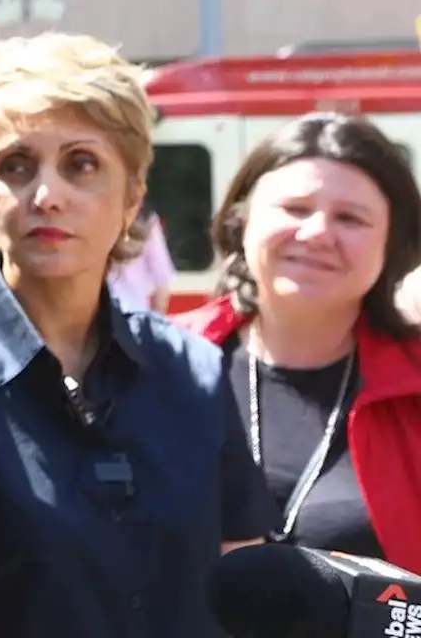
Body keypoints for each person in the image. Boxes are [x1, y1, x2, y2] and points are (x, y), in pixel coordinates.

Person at [0, 33, 275, 638]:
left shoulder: (194, 372)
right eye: (15, 165)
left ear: (133, 195)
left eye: (82, 164)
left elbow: (249, 604)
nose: (46, 195)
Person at [174, 113, 421, 572]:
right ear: (240, 223)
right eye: (295, 209)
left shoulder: (414, 386)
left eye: (350, 218)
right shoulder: (153, 361)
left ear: (394, 244)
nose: (317, 233)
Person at [108, 198, 177, 313]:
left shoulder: (92, 216)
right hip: (135, 314)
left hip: (98, 318)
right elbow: (162, 283)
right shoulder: (147, 220)